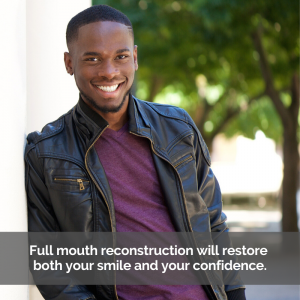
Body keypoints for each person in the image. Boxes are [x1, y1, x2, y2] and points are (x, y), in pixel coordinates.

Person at [25, 4, 245, 300]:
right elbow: (49, 261)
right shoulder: (47, 153)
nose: (109, 71)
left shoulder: (177, 128)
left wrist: (235, 294)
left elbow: (214, 222)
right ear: (69, 63)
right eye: (92, 58)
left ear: (135, 58)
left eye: (121, 57)